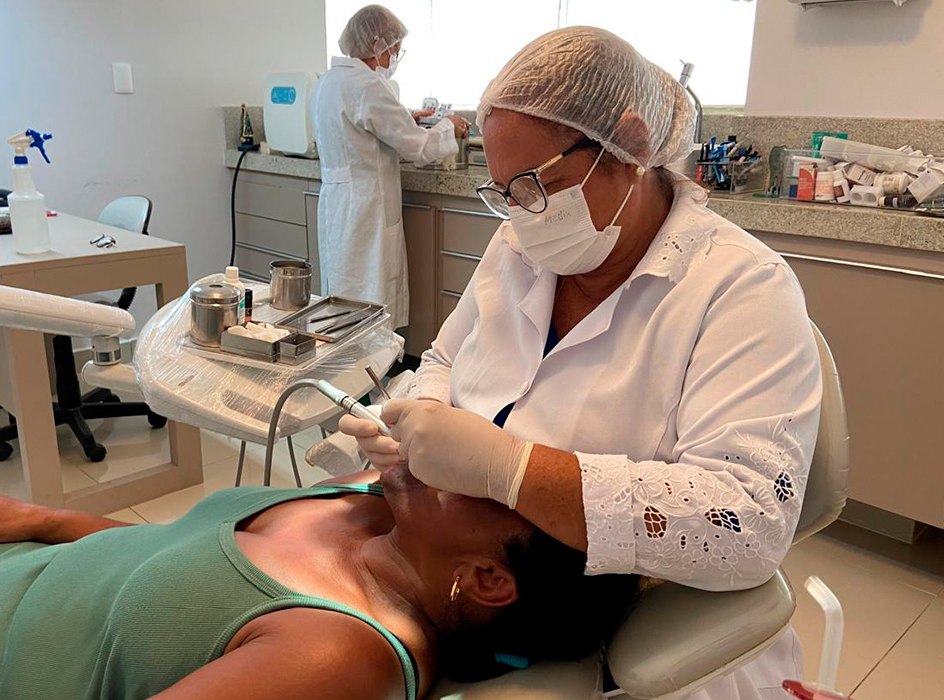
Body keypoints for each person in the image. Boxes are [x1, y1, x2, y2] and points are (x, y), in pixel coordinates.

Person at [340, 27, 823, 700]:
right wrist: (419, 416)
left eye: (540, 185)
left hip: (615, 629)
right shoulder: (519, 244)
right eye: (505, 191)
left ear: (632, 146)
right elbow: (447, 355)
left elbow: (749, 523)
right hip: (470, 579)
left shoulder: (741, 289)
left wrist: (511, 470)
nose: (522, 215)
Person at [0, 466, 637, 700]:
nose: (465, 456)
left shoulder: (340, 654)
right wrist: (51, 522)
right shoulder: (372, 503)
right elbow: (181, 562)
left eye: (497, 481)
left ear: (488, 580)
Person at [310, 5, 468, 329]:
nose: (394, 57)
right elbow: (419, 148)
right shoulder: (368, 85)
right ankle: (373, 359)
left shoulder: (326, 83)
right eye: (394, 49)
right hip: (368, 208)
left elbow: (356, 132)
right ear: (377, 44)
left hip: (337, 207)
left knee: (342, 296)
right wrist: (449, 125)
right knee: (371, 297)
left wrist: (403, 119)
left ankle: (346, 357)